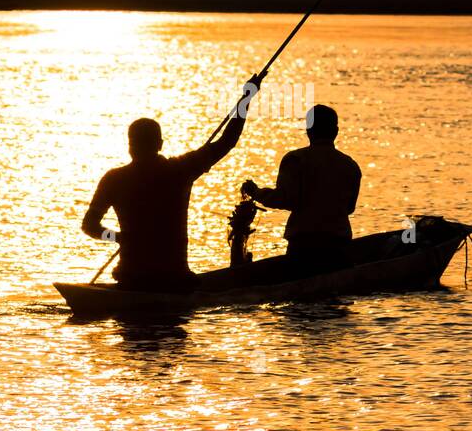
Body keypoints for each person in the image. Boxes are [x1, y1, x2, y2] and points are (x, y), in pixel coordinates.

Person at [83, 75, 263, 291]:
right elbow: (228, 141)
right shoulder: (179, 170)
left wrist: (119, 237)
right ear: (159, 144)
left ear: (130, 146)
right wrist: (246, 98)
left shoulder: (114, 178)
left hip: (133, 278)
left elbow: (90, 226)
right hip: (172, 279)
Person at [241, 104, 361, 276]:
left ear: (309, 131)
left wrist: (256, 192)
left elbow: (284, 199)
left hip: (304, 245)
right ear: (335, 132)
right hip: (338, 246)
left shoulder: (295, 160)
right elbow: (350, 208)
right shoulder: (350, 165)